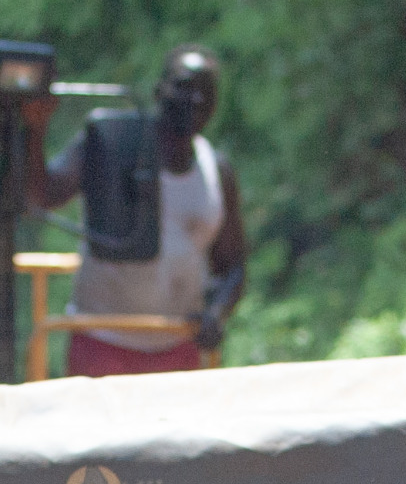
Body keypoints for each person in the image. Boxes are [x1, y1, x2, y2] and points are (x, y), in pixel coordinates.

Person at [28, 48, 245, 377]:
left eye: (206, 93)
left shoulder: (216, 171)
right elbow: (41, 193)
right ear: (159, 91)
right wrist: (33, 127)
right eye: (184, 87)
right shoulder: (110, 145)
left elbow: (233, 265)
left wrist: (216, 314)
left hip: (177, 344)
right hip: (102, 340)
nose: (195, 100)